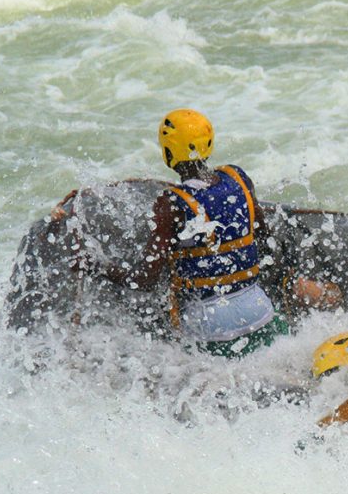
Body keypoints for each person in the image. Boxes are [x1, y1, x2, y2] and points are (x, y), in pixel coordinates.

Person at [112, 108, 290, 357]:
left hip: (210, 322)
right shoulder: (238, 177)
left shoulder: (170, 203)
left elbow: (144, 280)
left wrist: (97, 267)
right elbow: (263, 237)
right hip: (258, 307)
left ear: (168, 152)